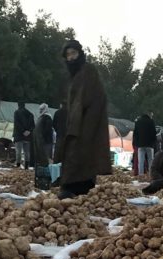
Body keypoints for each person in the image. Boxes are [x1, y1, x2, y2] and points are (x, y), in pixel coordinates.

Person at [54, 40, 110, 199]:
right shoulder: (75, 75)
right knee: (74, 157)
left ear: (80, 53)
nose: (71, 58)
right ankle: (72, 191)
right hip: (76, 123)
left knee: (82, 156)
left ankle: (77, 191)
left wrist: (84, 123)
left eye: (73, 53)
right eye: (68, 55)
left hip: (87, 123)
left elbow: (93, 99)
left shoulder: (88, 70)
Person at [13, 102, 34, 169]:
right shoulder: (30, 114)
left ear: (18, 105)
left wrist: (23, 131)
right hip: (27, 136)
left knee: (18, 151)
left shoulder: (16, 112)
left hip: (19, 135)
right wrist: (28, 131)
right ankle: (26, 166)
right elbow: (33, 125)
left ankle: (18, 165)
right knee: (27, 152)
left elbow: (17, 124)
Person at [34, 103, 54, 167]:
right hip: (41, 141)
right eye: (40, 109)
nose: (40, 110)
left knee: (47, 157)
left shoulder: (48, 117)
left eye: (41, 109)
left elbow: (47, 130)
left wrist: (42, 137)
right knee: (42, 158)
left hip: (46, 141)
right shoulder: (41, 117)